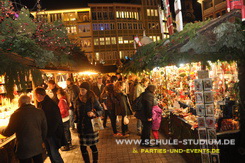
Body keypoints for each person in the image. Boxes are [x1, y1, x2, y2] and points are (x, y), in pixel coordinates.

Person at [0, 95, 47, 163]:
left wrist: (1, 129)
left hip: (24, 149)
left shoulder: (16, 115)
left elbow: (8, 132)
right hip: (37, 146)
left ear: (19, 103)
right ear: (30, 102)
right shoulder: (39, 112)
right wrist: (41, 140)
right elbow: (45, 128)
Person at [34, 87, 65, 163]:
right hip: (48, 133)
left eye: (35, 95)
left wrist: (48, 133)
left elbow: (55, 120)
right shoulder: (42, 103)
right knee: (51, 154)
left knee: (54, 154)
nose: (34, 97)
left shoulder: (49, 104)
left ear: (38, 95)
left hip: (52, 134)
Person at [75, 82, 103, 163]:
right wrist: (76, 119)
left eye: (83, 90)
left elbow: (101, 110)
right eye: (80, 90)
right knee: (82, 147)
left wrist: (94, 113)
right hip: (81, 127)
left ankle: (95, 161)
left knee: (93, 146)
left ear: (87, 90)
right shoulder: (77, 100)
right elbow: (76, 111)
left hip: (91, 126)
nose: (81, 91)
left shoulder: (92, 99)